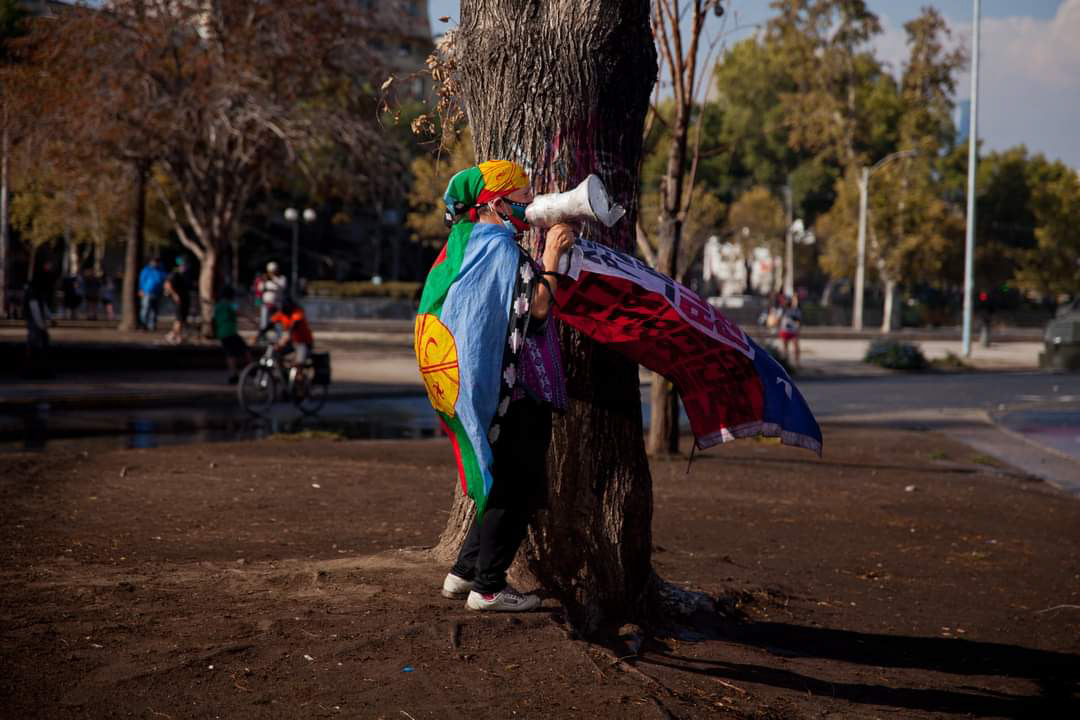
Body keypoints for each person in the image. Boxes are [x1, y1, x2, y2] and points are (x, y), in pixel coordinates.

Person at [419, 160, 574, 613]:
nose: (530, 203)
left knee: (500, 479)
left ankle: (463, 572)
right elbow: (538, 309)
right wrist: (552, 256)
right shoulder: (501, 251)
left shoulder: (466, 246)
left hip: (490, 391)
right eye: (522, 196)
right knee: (516, 486)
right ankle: (488, 588)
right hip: (515, 393)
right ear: (496, 203)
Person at [213, 285, 252, 384]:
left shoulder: (218, 305)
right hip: (231, 332)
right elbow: (240, 312)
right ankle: (252, 369)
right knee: (245, 349)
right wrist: (252, 320)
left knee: (230, 354)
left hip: (222, 334)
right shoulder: (230, 304)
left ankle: (233, 374)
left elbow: (213, 319)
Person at [24, 260, 56, 378]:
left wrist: (50, 318)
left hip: (37, 323)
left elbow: (42, 306)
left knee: (39, 346)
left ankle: (39, 370)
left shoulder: (37, 291)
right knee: (35, 346)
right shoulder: (33, 292)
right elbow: (35, 309)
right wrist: (42, 325)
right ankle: (34, 370)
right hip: (35, 324)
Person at [270, 297, 314, 373]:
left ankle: (299, 377)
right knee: (275, 354)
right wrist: (260, 334)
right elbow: (270, 324)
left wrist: (284, 339)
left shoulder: (297, 312)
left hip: (303, 342)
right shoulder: (282, 313)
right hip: (291, 342)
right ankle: (283, 374)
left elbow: (293, 327)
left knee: (299, 363)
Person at [164, 256, 192, 344]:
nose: (186, 266)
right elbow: (167, 285)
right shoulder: (175, 274)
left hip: (185, 299)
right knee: (179, 319)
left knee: (183, 319)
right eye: (184, 264)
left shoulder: (186, 274)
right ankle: (171, 335)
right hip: (179, 300)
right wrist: (175, 294)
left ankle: (179, 337)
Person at [138, 258, 167, 330]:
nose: (155, 264)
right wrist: (141, 289)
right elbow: (142, 279)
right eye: (154, 262)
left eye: (157, 262)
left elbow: (164, 280)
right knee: (145, 309)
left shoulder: (161, 270)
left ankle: (152, 325)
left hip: (157, 293)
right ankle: (143, 324)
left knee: (154, 310)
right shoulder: (146, 270)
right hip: (147, 292)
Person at [259, 261, 288, 335]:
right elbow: (260, 288)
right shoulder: (265, 280)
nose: (272, 273)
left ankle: (279, 336)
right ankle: (263, 337)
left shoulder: (282, 278)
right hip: (266, 304)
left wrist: (273, 279)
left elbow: (282, 286)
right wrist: (265, 281)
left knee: (277, 322)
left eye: (274, 271)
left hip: (277, 304)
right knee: (264, 322)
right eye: (271, 271)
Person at [779, 294, 802, 367]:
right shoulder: (783, 310)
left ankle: (797, 363)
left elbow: (798, 321)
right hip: (784, 330)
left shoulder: (796, 310)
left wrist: (797, 330)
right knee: (785, 348)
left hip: (793, 331)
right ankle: (785, 362)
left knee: (796, 347)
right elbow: (778, 319)